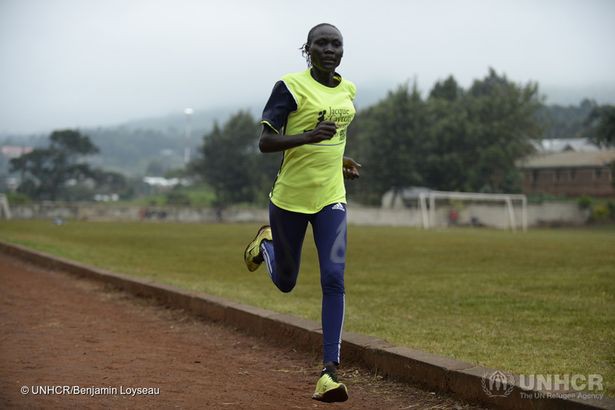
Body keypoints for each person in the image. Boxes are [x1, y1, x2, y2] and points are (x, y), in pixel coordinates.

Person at [243, 23, 361, 403]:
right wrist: (307, 138)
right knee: (287, 282)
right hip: (289, 200)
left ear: (342, 50)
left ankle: (329, 373)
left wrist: (338, 159)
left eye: (336, 43)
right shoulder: (289, 87)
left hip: (331, 199)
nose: (329, 49)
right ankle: (267, 244)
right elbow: (265, 143)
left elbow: (335, 134)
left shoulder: (348, 90)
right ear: (307, 49)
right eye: (321, 43)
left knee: (334, 276)